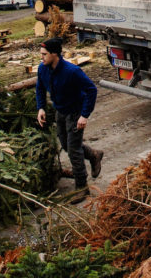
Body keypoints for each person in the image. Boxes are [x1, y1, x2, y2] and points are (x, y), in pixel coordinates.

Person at [36, 37, 103, 198]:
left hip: (75, 112)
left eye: (44, 54)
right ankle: (94, 154)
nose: (42, 57)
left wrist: (84, 115)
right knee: (66, 145)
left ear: (55, 54)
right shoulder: (42, 69)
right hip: (60, 111)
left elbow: (91, 90)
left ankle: (81, 187)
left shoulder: (72, 71)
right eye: (41, 54)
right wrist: (41, 108)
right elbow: (39, 88)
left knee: (73, 150)